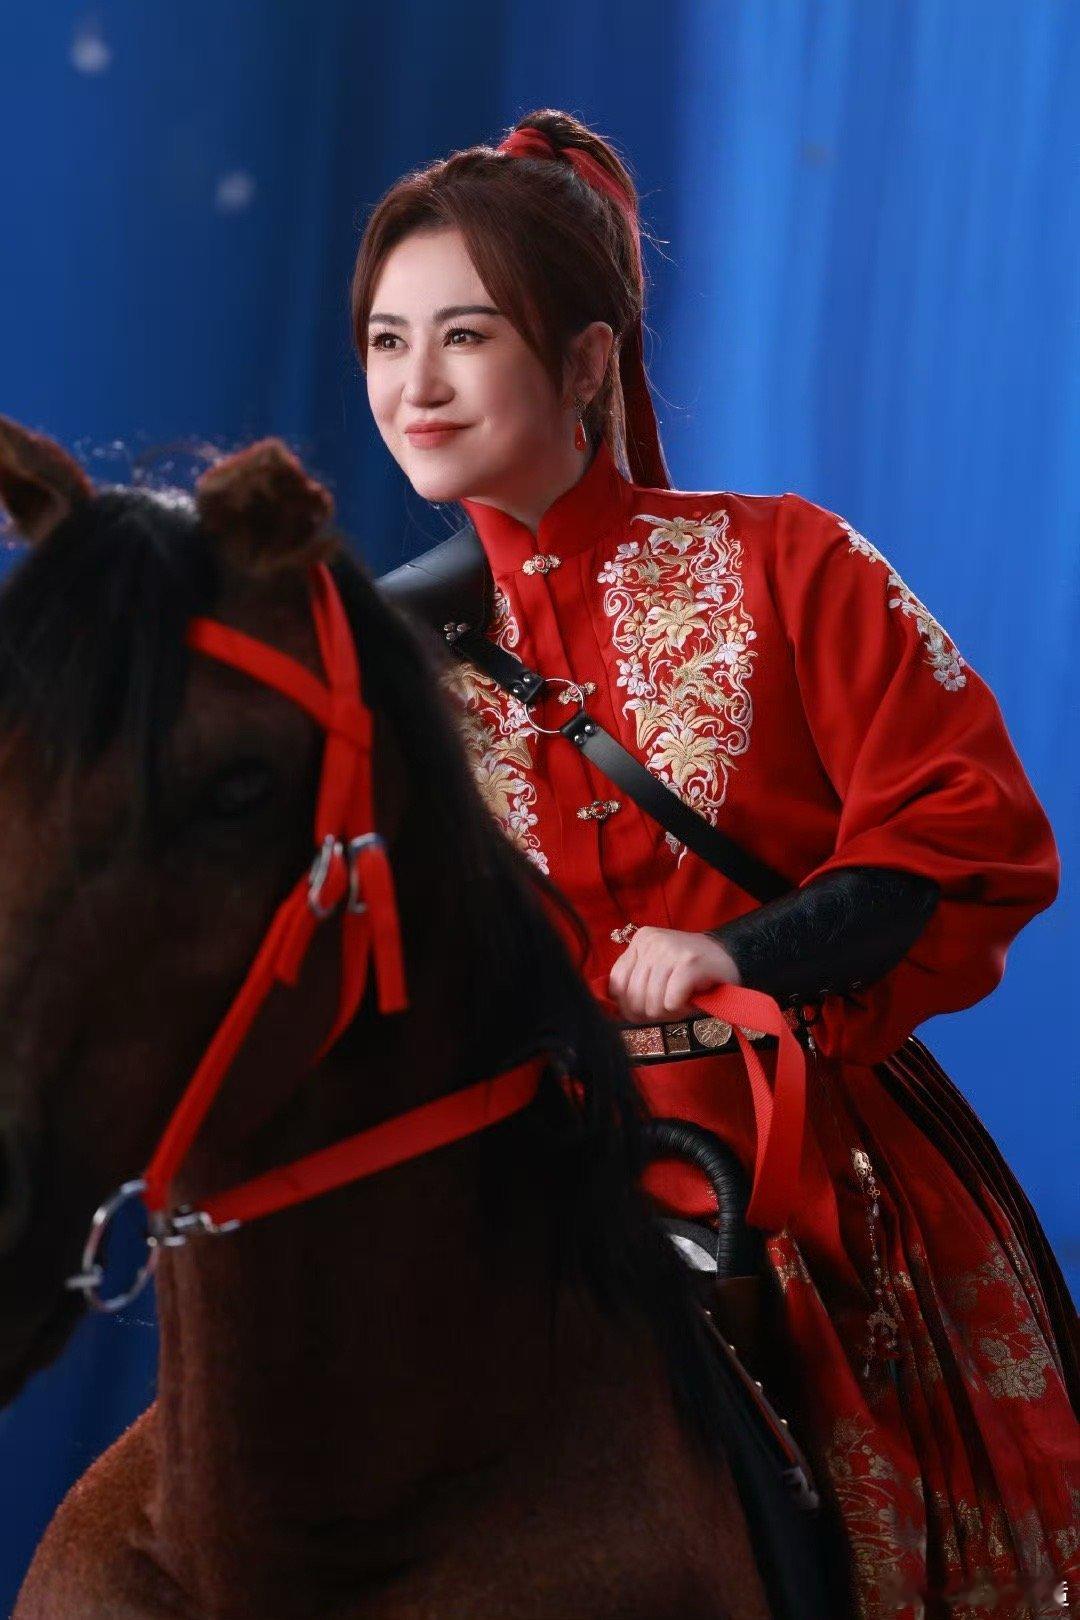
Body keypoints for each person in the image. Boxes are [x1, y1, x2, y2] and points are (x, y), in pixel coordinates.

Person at [353, 109, 1078, 1618]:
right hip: (514, 1181)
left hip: (803, 1175)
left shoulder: (788, 561)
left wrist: (736, 954)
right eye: (385, 341)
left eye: (465, 337)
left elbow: (956, 838)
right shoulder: (379, 656)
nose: (415, 388)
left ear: (590, 361)